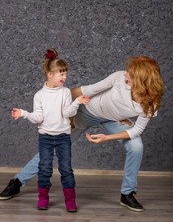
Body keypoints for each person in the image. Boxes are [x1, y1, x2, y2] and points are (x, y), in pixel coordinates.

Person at [0, 55, 164, 212]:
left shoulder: (151, 103)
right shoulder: (119, 78)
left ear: (142, 81)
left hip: (113, 121)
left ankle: (127, 193)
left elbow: (137, 130)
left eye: (131, 74)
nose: (126, 74)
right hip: (85, 112)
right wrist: (61, 106)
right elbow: (87, 90)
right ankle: (18, 182)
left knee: (136, 147)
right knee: (53, 144)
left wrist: (107, 137)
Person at [10, 48, 90, 211]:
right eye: (61, 74)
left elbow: (67, 113)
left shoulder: (66, 92)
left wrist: (77, 102)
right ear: (50, 74)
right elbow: (38, 118)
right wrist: (24, 113)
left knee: (66, 169)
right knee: (44, 168)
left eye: (65, 73)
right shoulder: (39, 96)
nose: (65, 77)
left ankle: (70, 201)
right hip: (45, 138)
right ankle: (43, 198)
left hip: (63, 138)